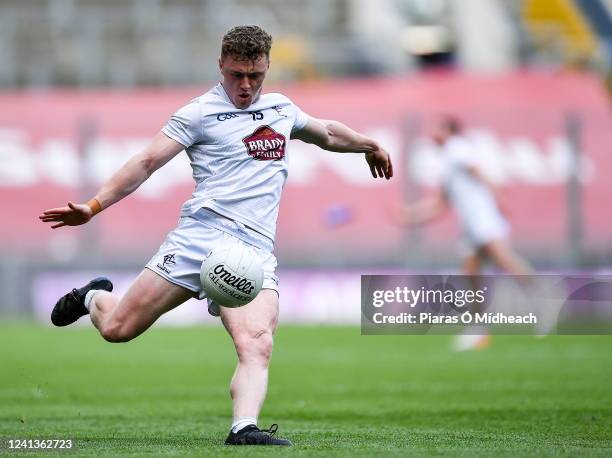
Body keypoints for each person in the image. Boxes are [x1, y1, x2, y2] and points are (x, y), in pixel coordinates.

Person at [39, 25, 392, 446]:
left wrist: (369, 144)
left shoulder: (281, 109)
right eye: (236, 75)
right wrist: (93, 206)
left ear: (267, 68)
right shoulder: (198, 113)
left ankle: (243, 428)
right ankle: (93, 296)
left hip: (253, 252)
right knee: (118, 329)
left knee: (256, 342)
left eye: (255, 76)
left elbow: (328, 133)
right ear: (221, 66)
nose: (245, 85)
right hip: (199, 240)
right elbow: (147, 161)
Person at [394, 116, 531, 350]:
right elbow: (439, 204)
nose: (432, 133)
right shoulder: (447, 160)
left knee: (504, 260)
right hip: (470, 226)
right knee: (471, 275)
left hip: (483, 218)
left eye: (437, 128)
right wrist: (411, 216)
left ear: (449, 131)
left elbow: (479, 171)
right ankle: (478, 329)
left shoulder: (457, 148)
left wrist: (498, 196)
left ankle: (546, 301)